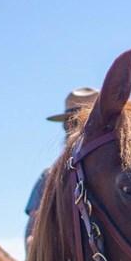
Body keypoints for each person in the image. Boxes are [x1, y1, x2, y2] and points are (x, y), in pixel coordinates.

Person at [25, 87, 99, 251]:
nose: (72, 130)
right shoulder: (49, 177)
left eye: (80, 122)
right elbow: (32, 234)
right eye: (70, 123)